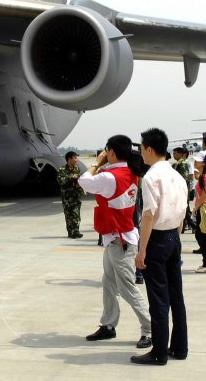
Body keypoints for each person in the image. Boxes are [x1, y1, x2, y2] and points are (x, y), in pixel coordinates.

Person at [78, 135, 152, 350]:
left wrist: (96, 163)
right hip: (117, 237)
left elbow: (83, 181)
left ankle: (149, 328)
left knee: (127, 288)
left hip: (120, 240)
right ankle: (108, 325)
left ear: (110, 152)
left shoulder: (109, 176)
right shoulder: (130, 172)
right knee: (109, 284)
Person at [132, 128, 189, 365]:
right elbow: (183, 210)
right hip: (173, 237)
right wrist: (175, 238)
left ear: (148, 149)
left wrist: (142, 249)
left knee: (158, 300)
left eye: (141, 149)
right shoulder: (178, 175)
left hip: (156, 239)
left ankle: (159, 352)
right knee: (176, 296)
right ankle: (179, 347)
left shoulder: (151, 177)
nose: (141, 154)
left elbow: (148, 215)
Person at [57, 151, 85, 238]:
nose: (76, 160)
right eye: (75, 158)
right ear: (69, 159)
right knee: (68, 215)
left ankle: (76, 231)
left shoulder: (77, 168)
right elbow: (60, 181)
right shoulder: (62, 169)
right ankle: (70, 232)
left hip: (76, 195)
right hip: (67, 197)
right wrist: (70, 177)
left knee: (76, 214)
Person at [171, 147, 196, 233]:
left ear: (181, 154)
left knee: (185, 210)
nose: (174, 155)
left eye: (175, 153)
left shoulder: (183, 164)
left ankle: (193, 225)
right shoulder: (176, 164)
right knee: (184, 210)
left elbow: (185, 180)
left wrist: (185, 193)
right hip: (178, 191)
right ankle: (184, 227)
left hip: (181, 191)